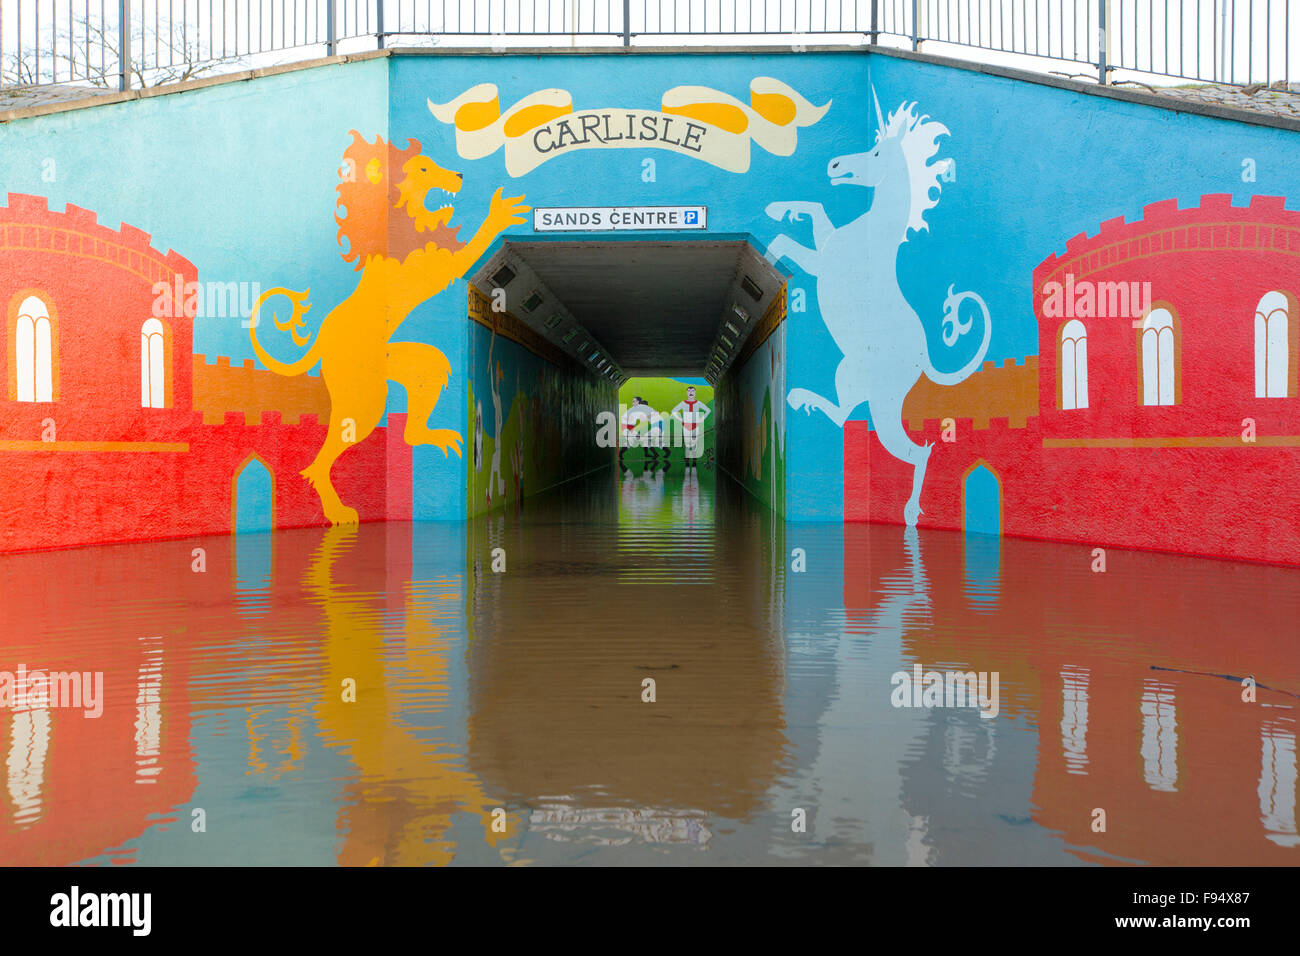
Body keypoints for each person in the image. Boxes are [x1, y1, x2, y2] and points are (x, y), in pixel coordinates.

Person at [671, 386, 711, 466]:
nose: (691, 392)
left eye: (692, 391)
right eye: (689, 391)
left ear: (695, 392)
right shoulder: (683, 403)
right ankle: (687, 458)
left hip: (695, 425)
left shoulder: (698, 403)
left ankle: (694, 458)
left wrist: (701, 419)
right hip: (686, 425)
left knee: (694, 442)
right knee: (687, 442)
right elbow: (674, 411)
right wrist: (680, 419)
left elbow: (708, 410)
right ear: (687, 393)